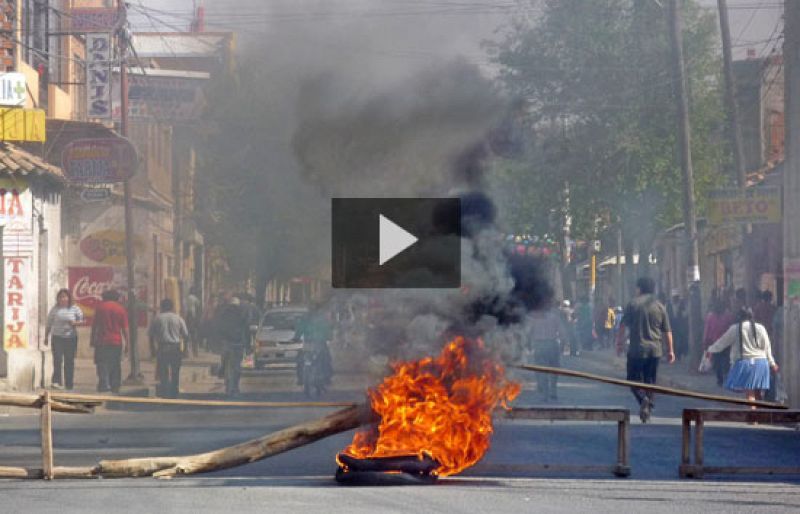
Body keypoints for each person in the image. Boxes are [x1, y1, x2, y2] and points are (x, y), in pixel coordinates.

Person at [616, 277, 675, 423]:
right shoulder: (660, 306)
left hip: (637, 350)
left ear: (639, 288)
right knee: (650, 381)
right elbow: (667, 331)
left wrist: (619, 343)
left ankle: (643, 399)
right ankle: (648, 406)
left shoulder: (633, 304)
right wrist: (671, 351)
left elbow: (623, 326)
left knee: (632, 380)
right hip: (655, 351)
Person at [706, 307, 778, 407]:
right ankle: (760, 414)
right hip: (761, 364)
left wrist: (710, 350)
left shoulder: (735, 328)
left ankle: (753, 418)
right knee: (757, 394)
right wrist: (772, 363)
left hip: (745, 364)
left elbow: (722, 343)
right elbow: (767, 347)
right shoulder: (761, 328)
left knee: (750, 393)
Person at [90, 290, 130, 393]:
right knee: (115, 364)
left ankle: (103, 384)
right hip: (116, 341)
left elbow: (94, 326)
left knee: (102, 363)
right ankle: (115, 385)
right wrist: (127, 344)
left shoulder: (100, 308)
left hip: (102, 341)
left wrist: (92, 339)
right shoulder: (121, 309)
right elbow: (125, 329)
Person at [528, 300, 568, 401]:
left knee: (541, 370)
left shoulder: (535, 319)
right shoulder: (554, 318)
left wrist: (528, 344)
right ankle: (553, 391)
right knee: (554, 369)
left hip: (539, 345)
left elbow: (529, 333)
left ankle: (545, 393)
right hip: (552, 344)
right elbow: (562, 333)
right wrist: (563, 345)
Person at [149, 299, 189, 398]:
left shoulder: (157, 319)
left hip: (162, 347)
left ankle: (165, 393)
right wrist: (185, 350)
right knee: (175, 372)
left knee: (163, 372)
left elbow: (151, 335)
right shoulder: (178, 318)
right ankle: (174, 394)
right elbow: (186, 335)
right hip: (175, 348)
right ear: (172, 307)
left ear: (162, 307)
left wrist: (153, 349)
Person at [45, 289, 84, 390]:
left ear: (69, 298)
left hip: (71, 338)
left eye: (65, 296)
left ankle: (69, 383)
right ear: (57, 298)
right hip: (57, 338)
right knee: (57, 360)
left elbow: (82, 320)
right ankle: (57, 381)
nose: (62, 298)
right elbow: (49, 323)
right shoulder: (54, 309)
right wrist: (46, 336)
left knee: (69, 361)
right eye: (60, 297)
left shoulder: (74, 308)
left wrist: (75, 323)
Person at [213, 294, 250, 396]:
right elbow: (246, 330)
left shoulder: (223, 314)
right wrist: (248, 346)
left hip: (227, 343)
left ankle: (228, 383)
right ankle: (235, 387)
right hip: (238, 343)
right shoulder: (242, 314)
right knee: (237, 367)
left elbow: (217, 329)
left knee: (226, 363)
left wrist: (216, 343)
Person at [294, 301, 333, 387]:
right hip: (310, 343)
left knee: (326, 359)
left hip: (319, 343)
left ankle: (326, 377)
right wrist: (296, 337)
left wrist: (329, 336)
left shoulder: (322, 319)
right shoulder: (306, 319)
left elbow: (328, 331)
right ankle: (301, 378)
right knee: (301, 359)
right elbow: (300, 329)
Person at [703, 296, 734, 386]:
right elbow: (707, 330)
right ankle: (722, 377)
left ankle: (722, 378)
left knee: (722, 361)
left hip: (720, 342)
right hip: (719, 343)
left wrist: (705, 341)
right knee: (721, 361)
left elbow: (707, 330)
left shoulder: (725, 316)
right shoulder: (714, 316)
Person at [184, 287, 202, 357]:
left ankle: (186, 353)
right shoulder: (194, 298)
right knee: (194, 335)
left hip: (187, 317)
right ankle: (195, 353)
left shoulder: (187, 298)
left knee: (187, 335)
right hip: (192, 317)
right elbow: (198, 305)